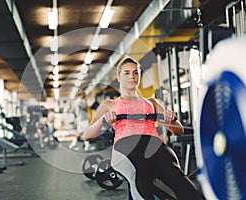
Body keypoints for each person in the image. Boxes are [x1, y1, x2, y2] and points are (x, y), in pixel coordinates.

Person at [83, 57, 202, 200]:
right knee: (141, 179)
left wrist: (172, 119)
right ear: (118, 77)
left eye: (136, 73)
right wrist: (103, 120)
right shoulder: (109, 105)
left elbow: (179, 131)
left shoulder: (151, 103)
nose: (132, 77)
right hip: (126, 148)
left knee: (184, 185)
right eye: (126, 73)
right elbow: (87, 136)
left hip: (155, 147)